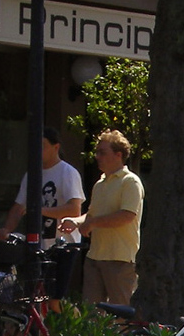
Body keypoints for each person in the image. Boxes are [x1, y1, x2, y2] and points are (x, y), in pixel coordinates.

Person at [0, 127, 85, 310]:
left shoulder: (67, 172)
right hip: (38, 245)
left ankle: (81, 329)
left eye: (43, 146)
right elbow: (18, 207)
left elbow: (74, 209)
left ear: (56, 147)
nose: (38, 151)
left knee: (55, 299)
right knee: (37, 298)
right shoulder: (31, 175)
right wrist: (7, 229)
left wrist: (39, 210)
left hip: (63, 245)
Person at [58, 129, 143, 306]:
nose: (97, 156)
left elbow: (127, 216)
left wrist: (92, 223)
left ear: (118, 155)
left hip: (120, 260)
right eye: (97, 152)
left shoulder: (130, 182)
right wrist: (75, 221)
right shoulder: (100, 184)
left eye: (102, 152)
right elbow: (91, 216)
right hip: (94, 258)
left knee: (120, 314)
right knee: (91, 315)